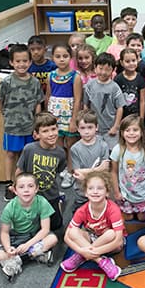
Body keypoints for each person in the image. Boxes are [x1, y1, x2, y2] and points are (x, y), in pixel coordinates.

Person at [0, 43, 43, 201]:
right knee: (11, 154)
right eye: (18, 61)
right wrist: (6, 114)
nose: (21, 64)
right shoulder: (7, 82)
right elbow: (0, 100)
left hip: (29, 125)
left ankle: (29, 184)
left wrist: (36, 123)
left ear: (30, 62)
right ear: (11, 62)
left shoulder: (35, 82)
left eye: (25, 61)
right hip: (12, 125)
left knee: (29, 154)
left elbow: (38, 102)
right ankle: (9, 184)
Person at [0, 173, 58, 281]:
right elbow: (4, 232)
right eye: (21, 187)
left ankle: (18, 260)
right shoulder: (9, 208)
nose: (26, 190)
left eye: (30, 186)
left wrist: (27, 245)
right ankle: (36, 255)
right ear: (15, 190)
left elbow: (45, 229)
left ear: (36, 189)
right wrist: (8, 248)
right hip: (16, 237)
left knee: (53, 239)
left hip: (35, 236)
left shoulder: (42, 202)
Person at [61, 171, 125, 281]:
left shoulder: (113, 209)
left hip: (111, 242)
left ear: (107, 193)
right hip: (92, 239)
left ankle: (81, 257)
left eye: (100, 188)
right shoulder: (82, 210)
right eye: (91, 188)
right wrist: (82, 251)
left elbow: (118, 241)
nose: (95, 192)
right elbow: (67, 236)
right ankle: (101, 261)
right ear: (85, 192)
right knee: (73, 231)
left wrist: (88, 252)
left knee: (110, 234)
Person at [15, 112, 67, 230]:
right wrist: (17, 188)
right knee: (30, 227)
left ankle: (59, 203)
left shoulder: (61, 153)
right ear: (36, 135)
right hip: (32, 196)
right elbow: (20, 170)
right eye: (45, 131)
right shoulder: (29, 149)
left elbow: (58, 171)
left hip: (51, 195)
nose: (51, 134)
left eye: (53, 129)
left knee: (56, 226)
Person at [45, 43, 82, 189]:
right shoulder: (51, 75)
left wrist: (74, 120)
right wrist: (48, 117)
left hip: (69, 114)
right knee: (58, 144)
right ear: (52, 58)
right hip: (55, 114)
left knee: (71, 145)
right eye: (58, 56)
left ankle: (71, 171)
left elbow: (78, 99)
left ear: (70, 57)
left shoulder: (75, 77)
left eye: (65, 56)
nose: (61, 60)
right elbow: (48, 96)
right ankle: (61, 168)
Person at [110, 115, 145, 221]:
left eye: (135, 130)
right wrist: (116, 191)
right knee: (128, 218)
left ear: (142, 132)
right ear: (122, 133)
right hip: (125, 193)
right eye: (127, 130)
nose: (131, 133)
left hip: (142, 192)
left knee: (142, 218)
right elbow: (114, 172)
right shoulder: (118, 149)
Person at [83, 52, 125, 151]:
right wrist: (87, 124)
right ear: (95, 67)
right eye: (100, 68)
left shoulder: (114, 87)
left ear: (113, 70)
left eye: (107, 69)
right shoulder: (89, 85)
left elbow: (120, 108)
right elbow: (85, 105)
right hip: (94, 129)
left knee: (112, 152)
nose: (103, 72)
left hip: (110, 129)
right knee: (95, 151)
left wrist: (116, 126)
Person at [70, 110, 111, 212]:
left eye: (90, 127)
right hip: (81, 192)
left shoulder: (103, 145)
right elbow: (77, 173)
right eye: (82, 128)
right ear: (78, 129)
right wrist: (97, 169)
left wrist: (85, 172)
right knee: (79, 216)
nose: (86, 131)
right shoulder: (75, 149)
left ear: (96, 127)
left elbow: (105, 169)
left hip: (99, 189)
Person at [114, 47, 145, 121]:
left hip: (136, 116)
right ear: (122, 63)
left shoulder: (140, 79)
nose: (131, 63)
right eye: (127, 61)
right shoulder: (118, 79)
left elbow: (142, 101)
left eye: (133, 60)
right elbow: (115, 100)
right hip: (122, 117)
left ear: (137, 61)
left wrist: (141, 118)